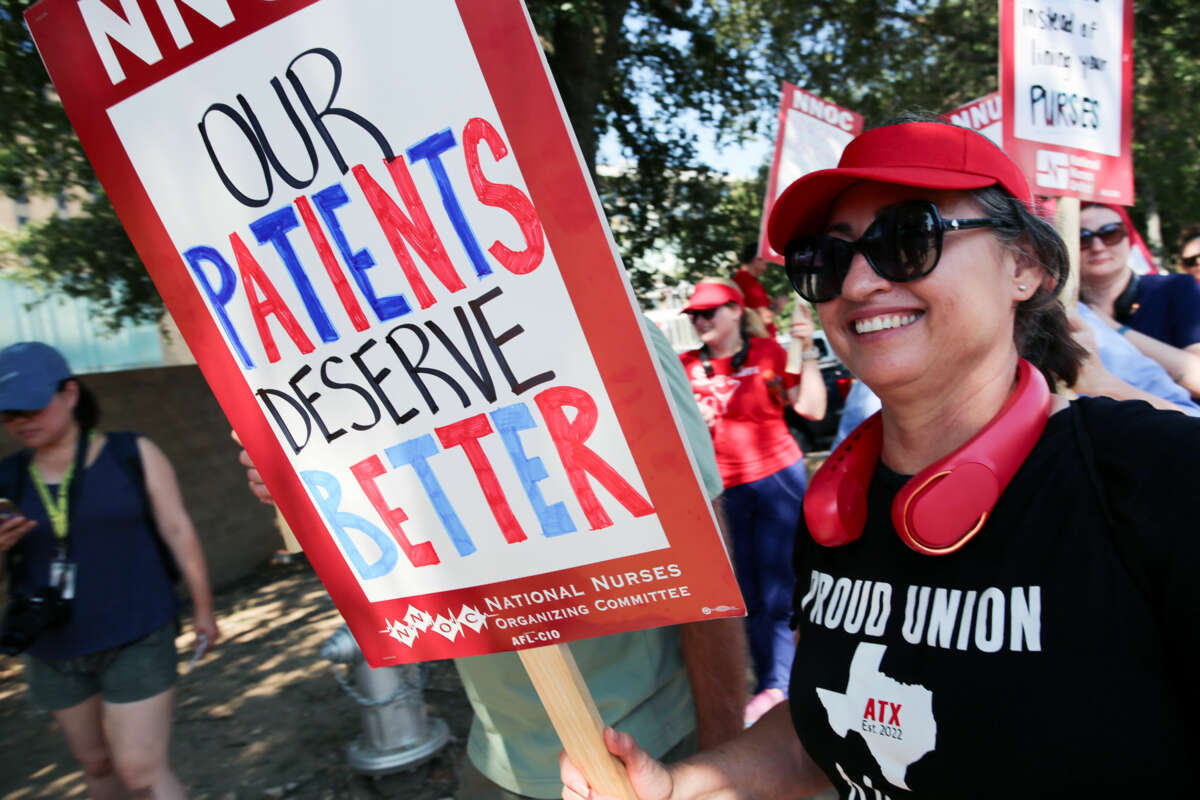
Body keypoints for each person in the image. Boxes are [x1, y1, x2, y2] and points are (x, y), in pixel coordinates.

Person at [561, 118, 1200, 799]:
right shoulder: (838, 506)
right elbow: (829, 729)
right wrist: (676, 785)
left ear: (1025, 267)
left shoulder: (1154, 473)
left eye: (909, 238)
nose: (859, 283)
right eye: (825, 259)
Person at [238, 318, 748, 800]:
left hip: (646, 750)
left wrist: (720, 757)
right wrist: (313, 490)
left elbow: (708, 563)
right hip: (495, 754)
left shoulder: (607, 326)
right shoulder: (376, 375)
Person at [0, 341, 219, 799]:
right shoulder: (9, 478)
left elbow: (179, 530)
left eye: (30, 406)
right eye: (7, 413)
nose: (20, 420)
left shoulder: (132, 453)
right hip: (53, 645)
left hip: (137, 632)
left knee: (140, 770)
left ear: (70, 394)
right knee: (96, 764)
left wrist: (203, 609)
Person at [678, 277, 825, 724]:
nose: (701, 320)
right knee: (743, 596)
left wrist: (810, 353)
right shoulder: (683, 365)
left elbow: (812, 409)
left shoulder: (767, 355)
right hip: (720, 492)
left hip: (776, 480)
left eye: (711, 312)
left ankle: (778, 685)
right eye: (696, 315)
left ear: (736, 311)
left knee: (781, 588)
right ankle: (771, 682)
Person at [1078, 203, 1200, 354]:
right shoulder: (1057, 308)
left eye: (1111, 233)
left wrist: (1114, 329)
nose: (1098, 247)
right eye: (1082, 238)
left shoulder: (1177, 288)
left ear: (1129, 240)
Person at [732, 243, 778, 337]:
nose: (768, 262)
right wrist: (778, 307)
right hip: (759, 344)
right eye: (766, 260)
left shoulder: (741, 280)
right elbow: (765, 318)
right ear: (757, 258)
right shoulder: (748, 282)